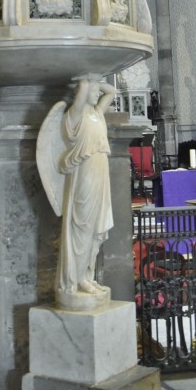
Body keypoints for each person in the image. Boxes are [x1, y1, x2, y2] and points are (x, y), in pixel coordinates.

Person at [56, 77, 116, 303]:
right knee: (82, 227)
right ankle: (76, 278)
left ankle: (87, 276)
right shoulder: (76, 115)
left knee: (96, 227)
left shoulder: (97, 113)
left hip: (100, 170)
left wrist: (97, 80)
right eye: (93, 90)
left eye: (97, 90)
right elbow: (82, 90)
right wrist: (86, 80)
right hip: (85, 174)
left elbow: (111, 91)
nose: (97, 93)